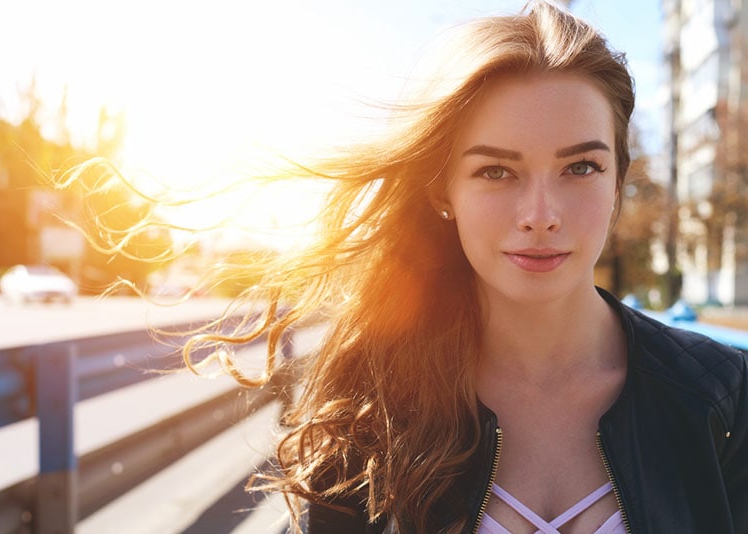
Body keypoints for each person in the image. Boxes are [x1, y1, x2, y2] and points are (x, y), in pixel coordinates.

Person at [167, 1, 748, 532]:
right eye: (496, 171)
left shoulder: (720, 397)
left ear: (618, 180)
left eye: (581, 168)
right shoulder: (371, 406)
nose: (540, 215)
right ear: (443, 190)